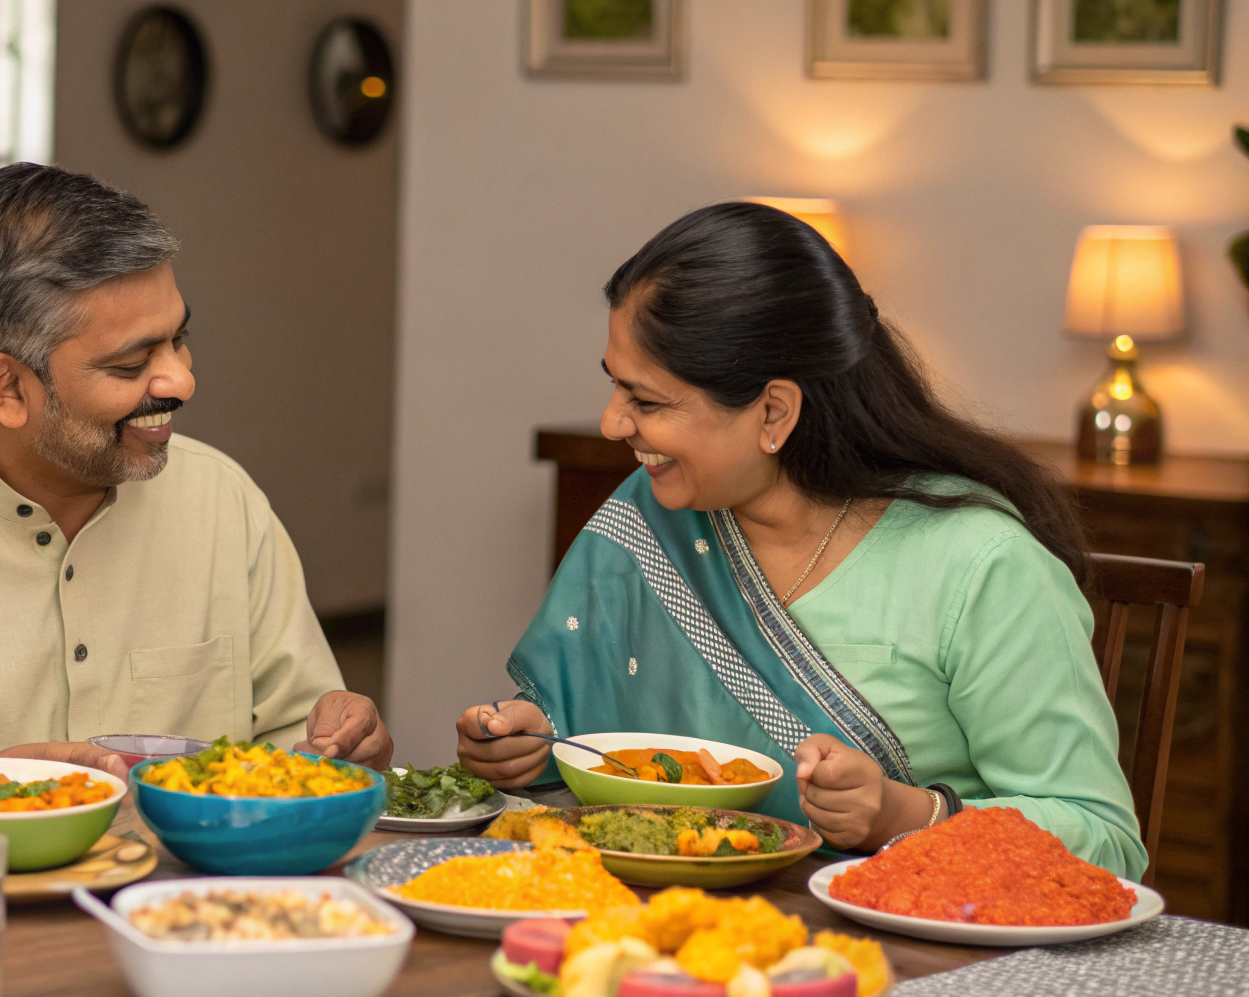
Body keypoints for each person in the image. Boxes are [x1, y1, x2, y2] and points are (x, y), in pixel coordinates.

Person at [454, 202, 1146, 879]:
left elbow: (1104, 839)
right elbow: (595, 731)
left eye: (648, 402)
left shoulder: (979, 564)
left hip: (900, 963)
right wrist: (527, 744)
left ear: (774, 412)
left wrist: (907, 815)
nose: (612, 424)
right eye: (616, 388)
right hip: (656, 935)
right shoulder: (655, 516)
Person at [0, 163, 392, 775]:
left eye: (178, 339)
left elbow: (301, 750)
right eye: (131, 365)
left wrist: (345, 745)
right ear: (6, 388)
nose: (181, 380)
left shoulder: (219, 500)